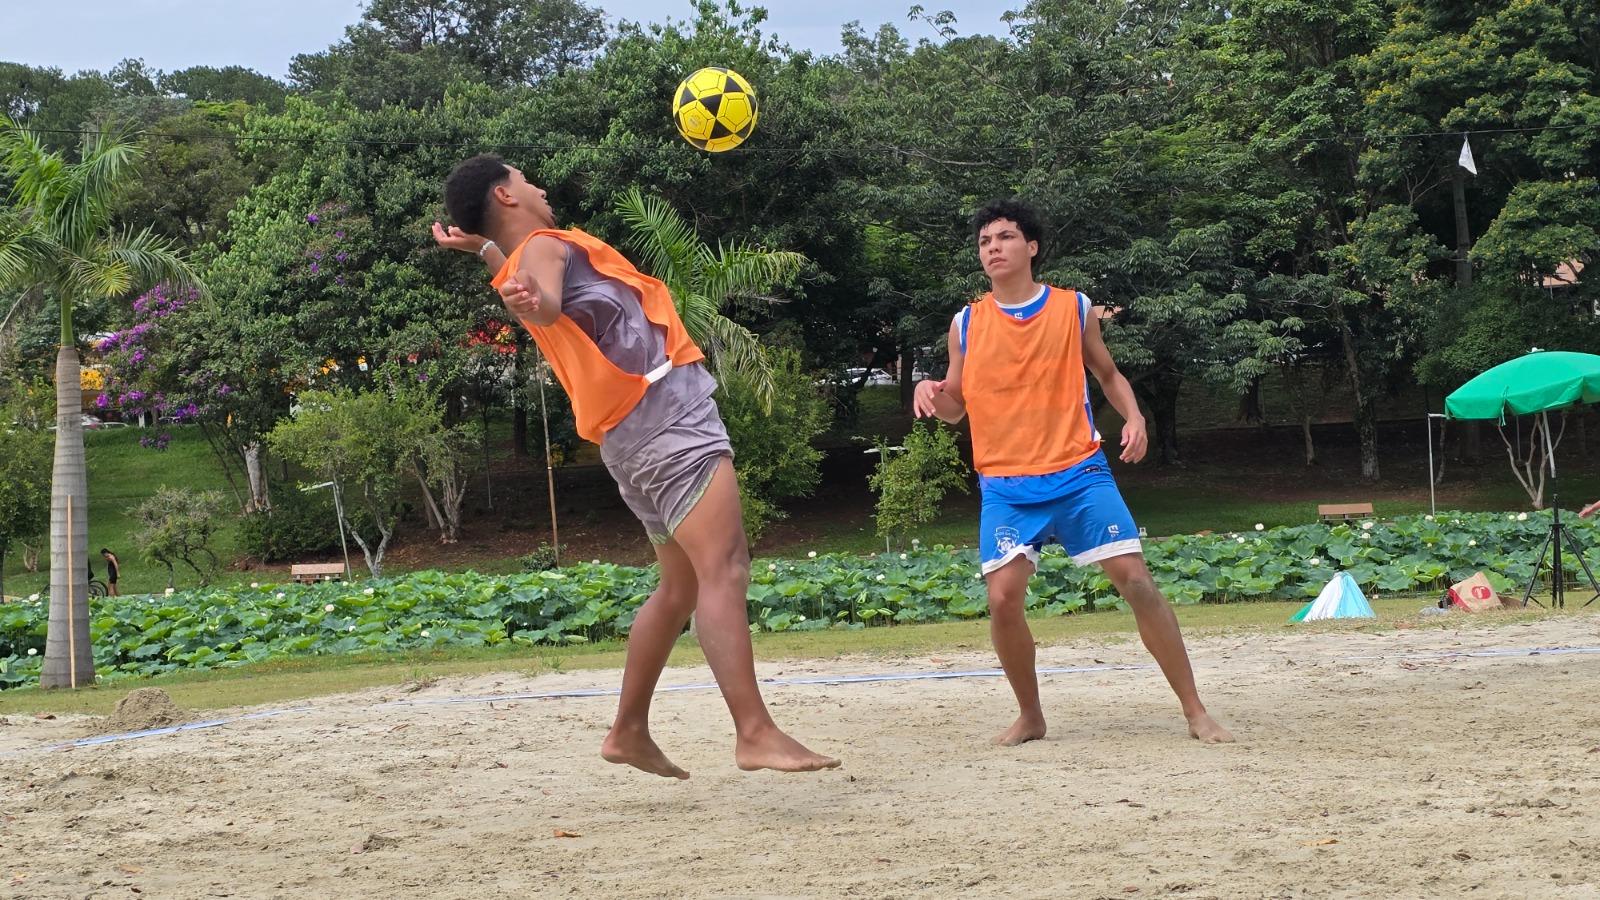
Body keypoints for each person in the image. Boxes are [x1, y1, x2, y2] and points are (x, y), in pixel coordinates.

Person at [432, 154, 839, 778]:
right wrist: (527, 294)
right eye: (525, 179)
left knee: (680, 587)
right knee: (724, 569)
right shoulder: (544, 247)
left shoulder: (518, 258)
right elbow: (542, 302)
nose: (539, 186)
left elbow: (534, 295)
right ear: (505, 195)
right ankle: (754, 732)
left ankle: (627, 731)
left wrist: (488, 251)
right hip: (666, 420)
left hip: (630, 437)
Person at [914, 198, 1234, 746]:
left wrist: (1134, 417)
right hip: (1007, 486)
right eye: (985, 241)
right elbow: (956, 406)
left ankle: (1195, 710)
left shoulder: (1072, 308)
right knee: (1002, 598)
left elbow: (1107, 374)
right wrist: (930, 393)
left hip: (1080, 473)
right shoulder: (965, 323)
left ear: (1031, 247)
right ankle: (1031, 716)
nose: (993, 247)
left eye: (1005, 237)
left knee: (1136, 580)